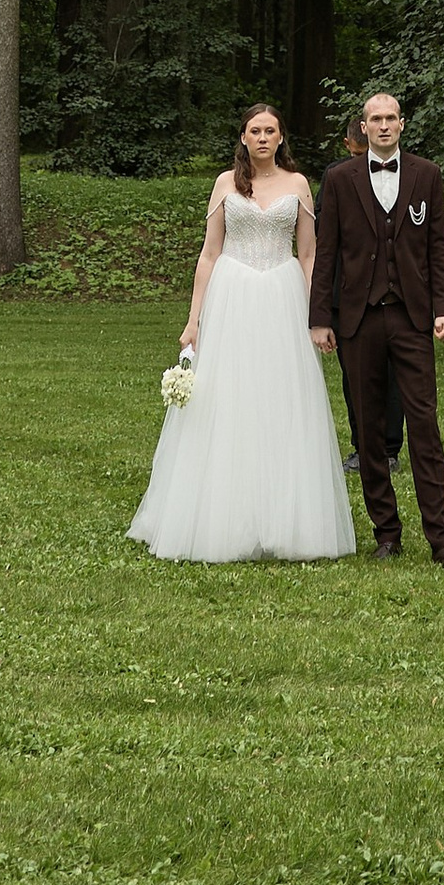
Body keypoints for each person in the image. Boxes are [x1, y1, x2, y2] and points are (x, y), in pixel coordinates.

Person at [128, 103, 355, 564]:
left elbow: (310, 255)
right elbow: (209, 255)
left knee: (282, 401)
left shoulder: (298, 185)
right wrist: (194, 321)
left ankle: (283, 518)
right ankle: (221, 517)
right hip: (232, 297)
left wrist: (319, 315)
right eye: (256, 130)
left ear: (281, 137)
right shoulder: (225, 183)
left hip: (282, 297)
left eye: (272, 130)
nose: (264, 137)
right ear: (245, 137)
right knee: (228, 402)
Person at [309, 90, 444, 568]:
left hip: (412, 316)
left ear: (402, 124)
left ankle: (442, 539)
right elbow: (326, 252)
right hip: (357, 318)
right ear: (363, 126)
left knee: (424, 423)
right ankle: (387, 533)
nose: (382, 126)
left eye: (390, 118)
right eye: (374, 119)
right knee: (369, 428)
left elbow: (438, 246)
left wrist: (443, 307)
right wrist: (320, 318)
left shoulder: (427, 175)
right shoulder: (339, 179)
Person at [337, 107, 408, 483]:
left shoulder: (416, 175)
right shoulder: (337, 178)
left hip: (396, 297)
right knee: (356, 378)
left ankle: (390, 448)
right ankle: (362, 446)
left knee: (394, 375)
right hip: (350, 295)